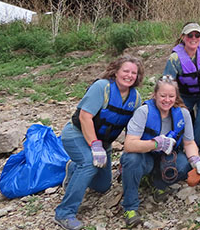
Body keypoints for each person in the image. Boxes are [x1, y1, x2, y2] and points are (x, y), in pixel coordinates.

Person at [54, 55, 144, 230]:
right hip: (77, 135)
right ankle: (64, 213)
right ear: (116, 71)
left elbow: (133, 129)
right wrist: (95, 145)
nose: (129, 75)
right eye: (125, 71)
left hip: (105, 144)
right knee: (89, 164)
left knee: (103, 186)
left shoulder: (136, 98)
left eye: (134, 73)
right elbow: (85, 117)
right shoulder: (102, 87)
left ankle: (72, 169)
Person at [120, 76, 200, 227]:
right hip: (144, 156)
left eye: (171, 96)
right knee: (131, 160)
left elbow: (189, 142)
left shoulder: (183, 114)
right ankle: (130, 207)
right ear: (155, 95)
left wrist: (195, 160)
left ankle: (157, 183)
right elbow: (129, 145)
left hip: (166, 157)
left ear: (176, 97)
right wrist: (155, 144)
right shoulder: (144, 112)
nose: (167, 100)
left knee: (184, 164)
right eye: (163, 96)